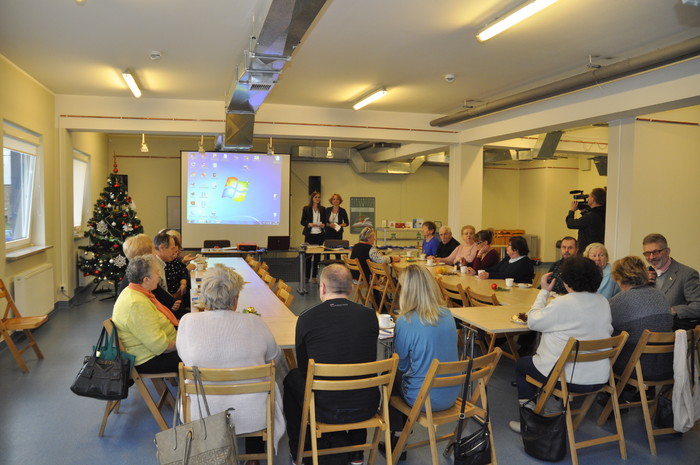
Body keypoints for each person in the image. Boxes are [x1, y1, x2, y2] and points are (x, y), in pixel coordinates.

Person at [176, 264, 285, 460]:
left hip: (202, 413)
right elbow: (274, 358)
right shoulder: (255, 322)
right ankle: (254, 458)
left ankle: (210, 453)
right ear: (235, 299)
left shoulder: (187, 322)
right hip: (254, 414)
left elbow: (185, 358)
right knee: (267, 384)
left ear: (204, 297)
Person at [283, 264, 379, 465]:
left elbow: (303, 367)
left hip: (323, 408)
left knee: (292, 378)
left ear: (323, 288)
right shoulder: (370, 316)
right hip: (366, 406)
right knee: (357, 373)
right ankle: (356, 453)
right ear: (351, 288)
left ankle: (298, 452)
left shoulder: (306, 318)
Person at [510, 256, 613, 432]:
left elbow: (532, 322)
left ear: (567, 280)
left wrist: (544, 292)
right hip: (599, 378)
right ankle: (552, 404)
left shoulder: (563, 303)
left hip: (568, 380)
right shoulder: (603, 302)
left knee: (522, 365)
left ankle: (530, 422)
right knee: (553, 363)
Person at [384, 264, 459, 460]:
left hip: (424, 397)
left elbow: (401, 365)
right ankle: (399, 437)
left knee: (388, 380)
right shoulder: (448, 314)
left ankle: (397, 439)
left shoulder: (405, 320)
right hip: (451, 393)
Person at [112, 255, 180, 373]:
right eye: (156, 273)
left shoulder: (134, 292)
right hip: (148, 358)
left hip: (154, 350)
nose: (159, 276)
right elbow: (159, 346)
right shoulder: (136, 304)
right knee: (200, 355)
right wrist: (183, 345)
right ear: (146, 280)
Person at [609, 256, 673, 378]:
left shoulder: (619, 301)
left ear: (619, 278)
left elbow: (606, 331)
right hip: (666, 366)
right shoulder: (661, 295)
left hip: (636, 368)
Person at [642, 233, 700, 330]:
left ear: (667, 251)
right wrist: (641, 284)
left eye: (656, 252)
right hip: (645, 332)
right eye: (647, 253)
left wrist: (674, 310)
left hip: (672, 335)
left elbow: (698, 305)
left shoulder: (687, 274)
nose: (651, 257)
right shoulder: (642, 273)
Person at [118, 233, 182, 318]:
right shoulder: (143, 276)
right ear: (146, 255)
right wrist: (172, 303)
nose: (155, 253)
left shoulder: (133, 272)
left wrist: (171, 302)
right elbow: (161, 298)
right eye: (153, 249)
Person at [565, 187, 606, 252]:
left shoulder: (591, 216)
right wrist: (584, 211)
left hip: (588, 251)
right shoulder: (602, 213)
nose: (588, 199)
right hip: (597, 248)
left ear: (593, 199)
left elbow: (571, 224)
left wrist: (571, 211)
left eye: (589, 197)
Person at [300, 191, 327, 284]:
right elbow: (302, 221)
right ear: (312, 198)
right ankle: (307, 276)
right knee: (308, 256)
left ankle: (314, 276)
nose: (317, 199)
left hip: (319, 235)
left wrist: (324, 225)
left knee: (317, 257)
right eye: (316, 197)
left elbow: (325, 221)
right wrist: (309, 224)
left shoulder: (323, 209)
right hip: (310, 235)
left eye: (319, 197)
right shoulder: (306, 208)